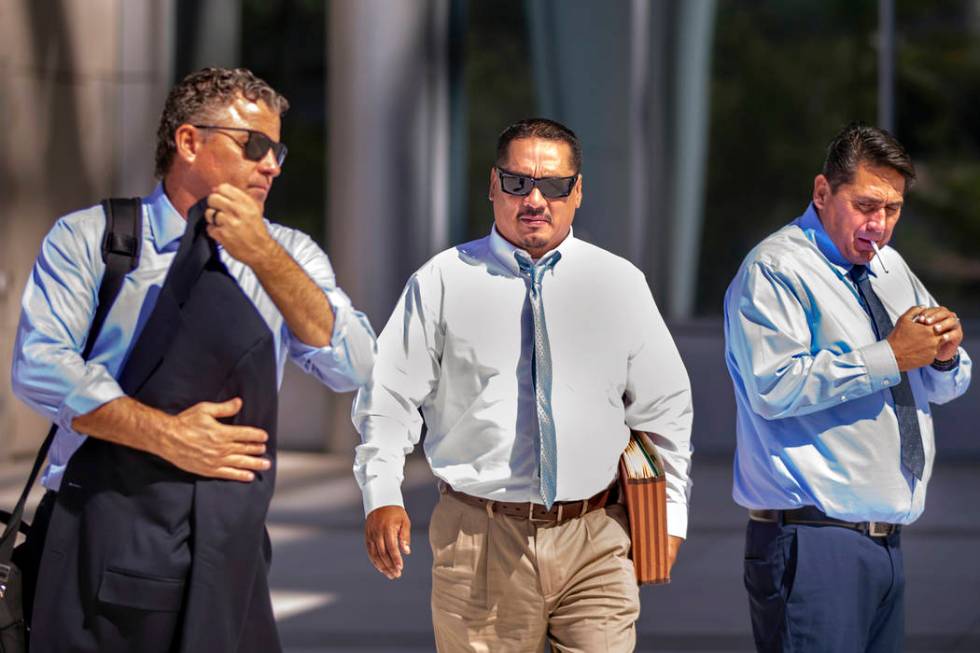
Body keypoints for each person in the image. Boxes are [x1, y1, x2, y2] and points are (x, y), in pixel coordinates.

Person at [11, 67, 376, 652]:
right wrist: (167, 436)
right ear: (188, 142)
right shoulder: (92, 239)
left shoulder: (291, 254)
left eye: (277, 149)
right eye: (254, 145)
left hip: (230, 544)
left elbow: (354, 367)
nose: (272, 165)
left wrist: (263, 256)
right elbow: (40, 365)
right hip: (101, 528)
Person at [352, 118, 693, 652]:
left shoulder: (618, 282)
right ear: (493, 185)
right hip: (481, 540)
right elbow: (388, 396)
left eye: (554, 185)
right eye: (517, 182)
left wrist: (671, 517)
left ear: (577, 192)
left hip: (596, 537)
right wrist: (381, 494)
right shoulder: (442, 280)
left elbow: (665, 408)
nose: (535, 198)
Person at [724, 123, 972, 652]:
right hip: (811, 544)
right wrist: (890, 356)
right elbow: (774, 386)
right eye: (865, 205)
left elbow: (941, 386)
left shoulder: (889, 266)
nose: (878, 225)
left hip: (884, 544)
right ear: (821, 192)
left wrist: (946, 356)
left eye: (893, 210)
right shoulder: (774, 270)